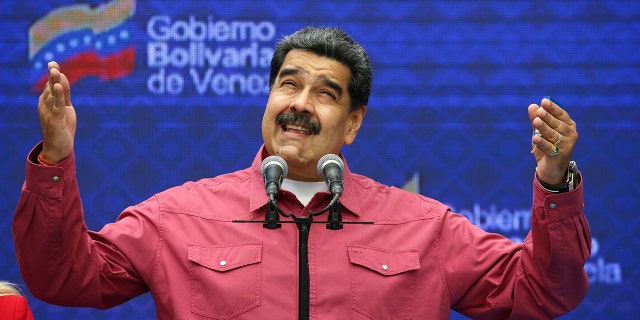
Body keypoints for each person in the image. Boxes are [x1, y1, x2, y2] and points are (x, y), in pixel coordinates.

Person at [13, 26, 590, 319]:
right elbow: (63, 277)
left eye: (325, 93)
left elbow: (543, 292)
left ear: (353, 122)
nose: (300, 103)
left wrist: (555, 183)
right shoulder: (179, 216)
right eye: (288, 83)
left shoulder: (425, 227)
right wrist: (57, 160)